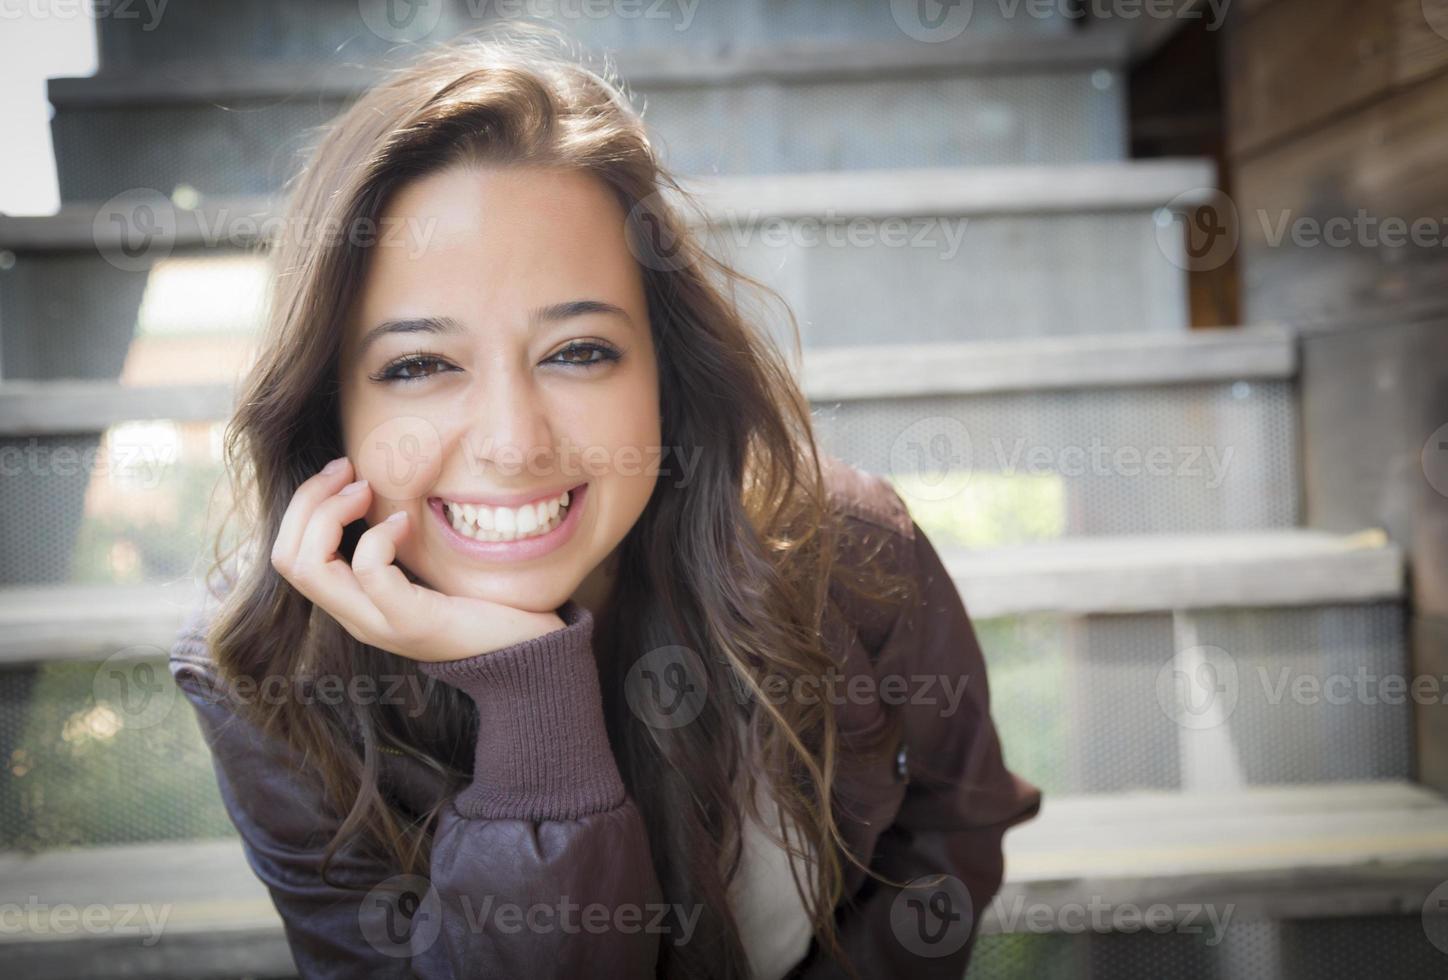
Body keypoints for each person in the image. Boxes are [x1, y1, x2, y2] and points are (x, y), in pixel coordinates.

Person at [171, 25, 1041, 979]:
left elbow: (955, 826)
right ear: (328, 410)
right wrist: (528, 697)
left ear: (666, 370)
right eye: (420, 365)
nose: (513, 443)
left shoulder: (847, 551)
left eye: (578, 351)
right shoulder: (270, 676)